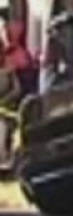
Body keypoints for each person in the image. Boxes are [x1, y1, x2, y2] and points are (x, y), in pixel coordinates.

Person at [0, 21, 36, 173]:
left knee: (3, 126)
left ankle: (5, 158)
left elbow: (17, 89)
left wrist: (4, 102)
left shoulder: (9, 70)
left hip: (9, 110)